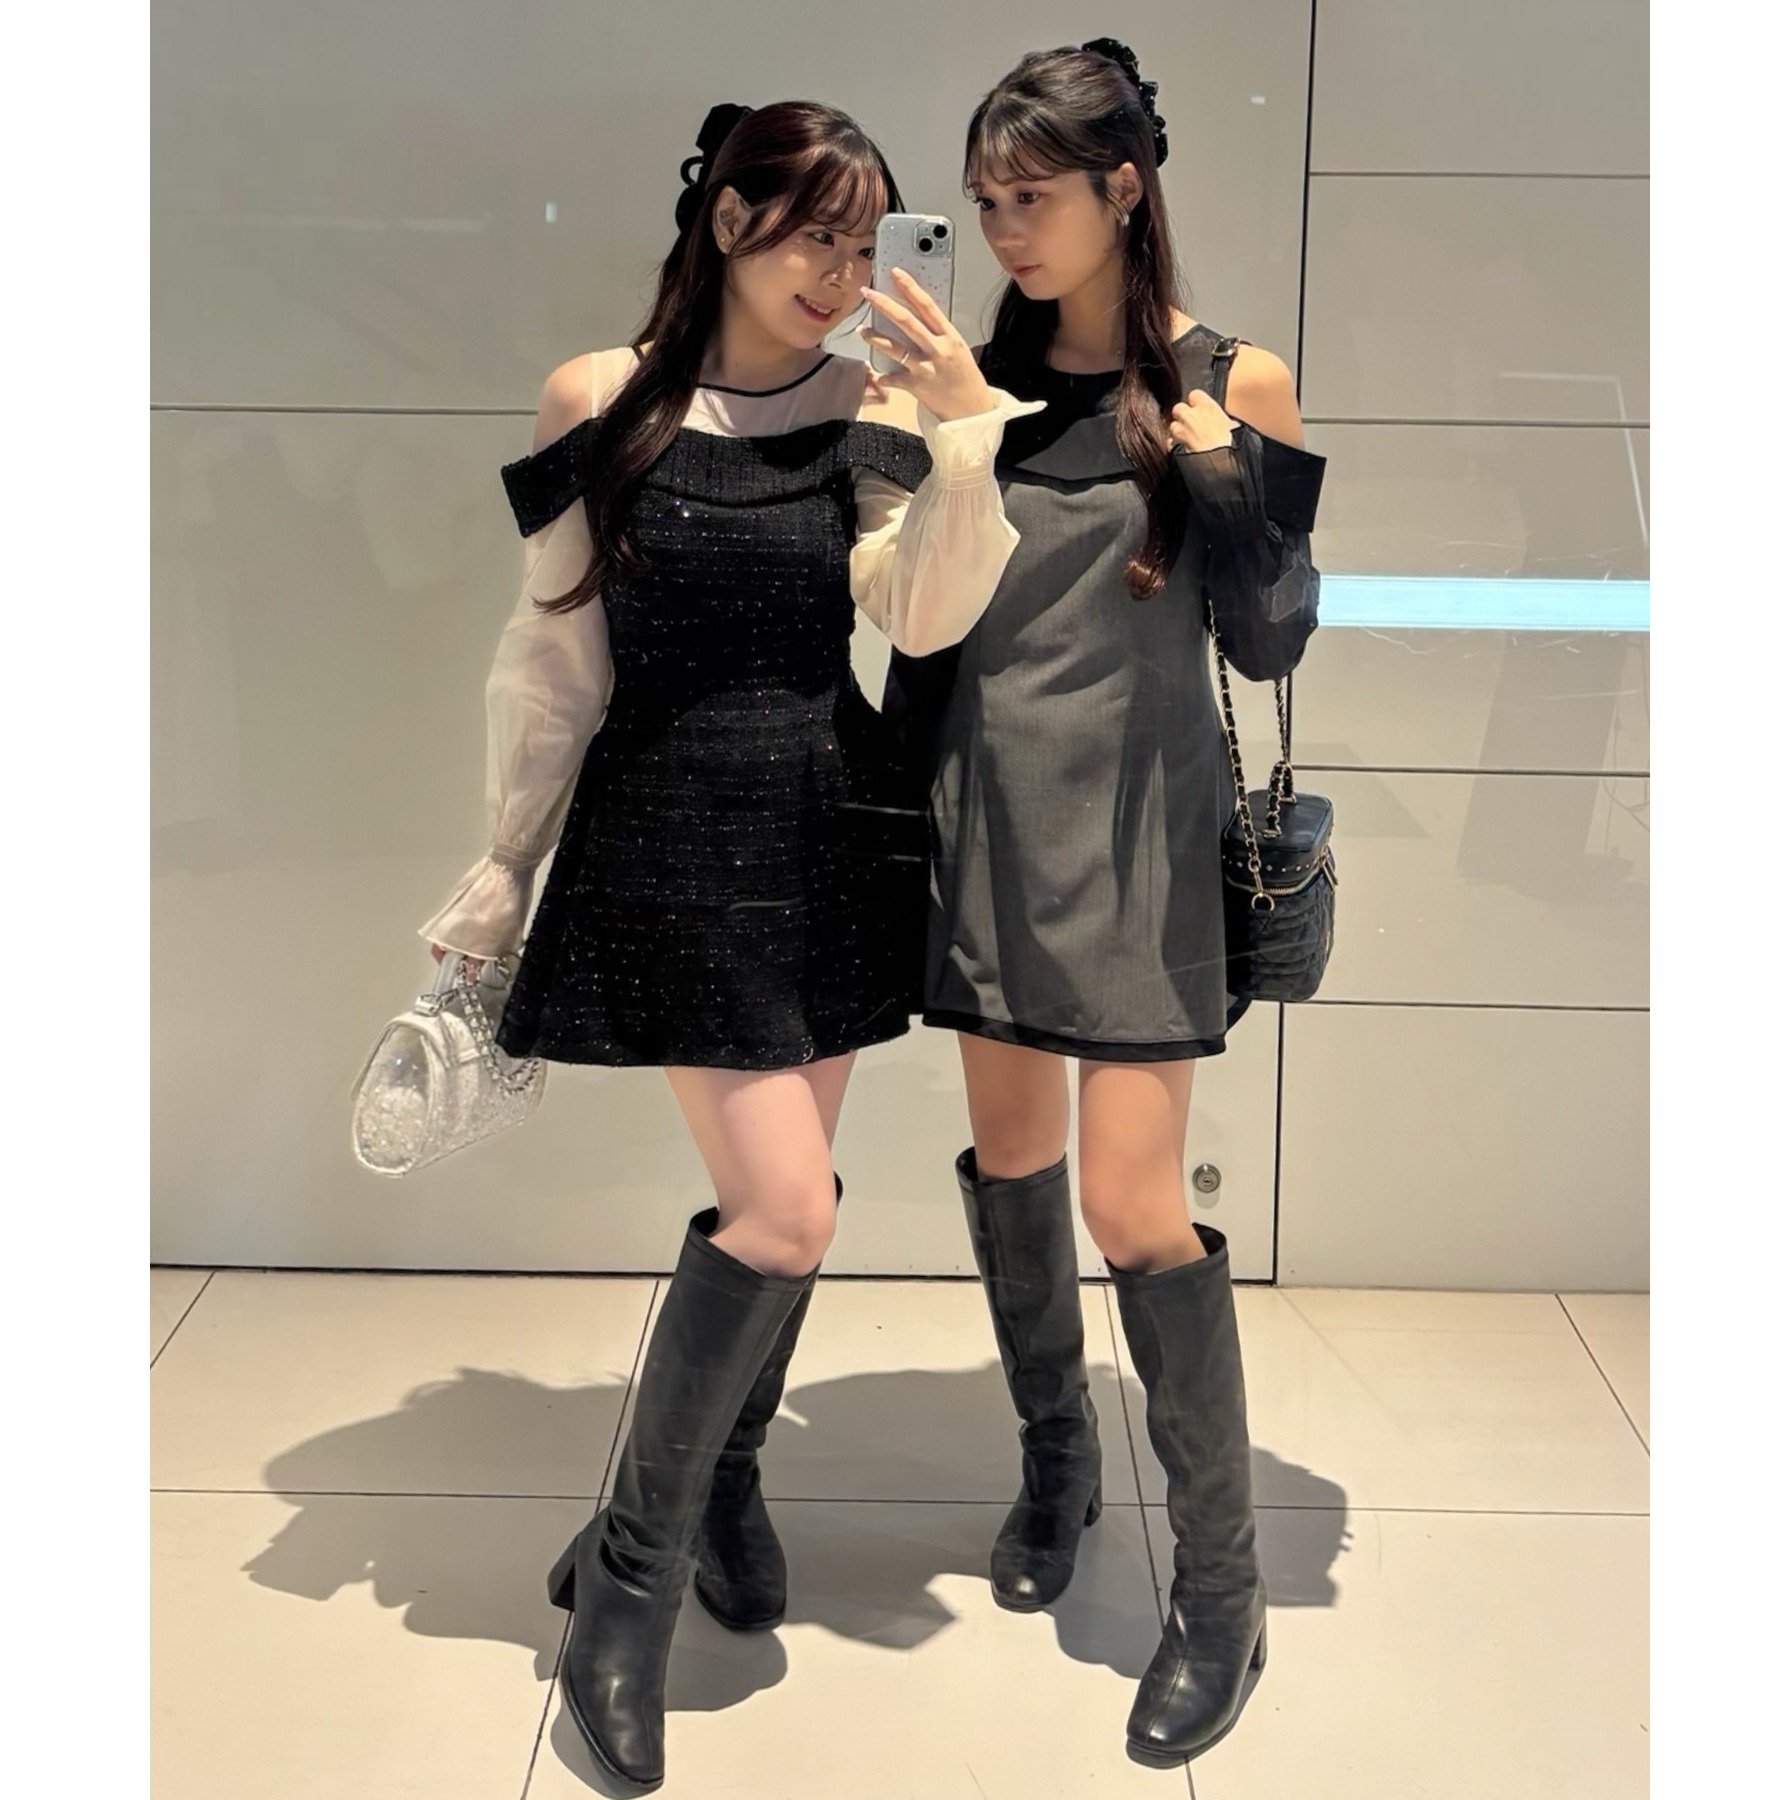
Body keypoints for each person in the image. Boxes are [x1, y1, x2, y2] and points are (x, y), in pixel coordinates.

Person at [420, 99, 1042, 1794]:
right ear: (725, 222)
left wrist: (960, 440)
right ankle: (623, 1591)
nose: (840, 271)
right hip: (668, 835)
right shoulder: (597, 400)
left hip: (829, 827)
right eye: (812, 233)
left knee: (793, 1202)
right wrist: (505, 865)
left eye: (864, 238)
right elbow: (553, 658)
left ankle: (720, 1486)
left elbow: (920, 616)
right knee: (787, 1210)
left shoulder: (866, 408)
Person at [878, 39, 1327, 1768]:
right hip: (987, 815)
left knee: (1135, 1206)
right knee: (1012, 1164)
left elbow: (1271, 643)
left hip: (1139, 831)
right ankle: (1056, 1462)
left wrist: (1227, 483)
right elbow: (911, 611)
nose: (1004, 229)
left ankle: (1221, 1593)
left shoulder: (1233, 377)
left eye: (1033, 195)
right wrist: (932, 427)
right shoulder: (967, 374)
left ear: (1124, 187)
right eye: (984, 200)